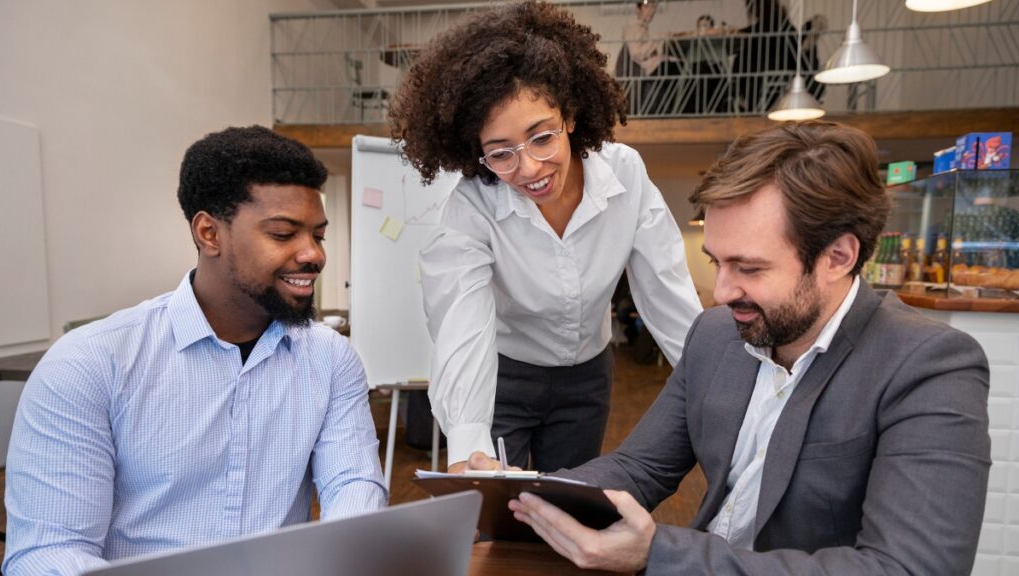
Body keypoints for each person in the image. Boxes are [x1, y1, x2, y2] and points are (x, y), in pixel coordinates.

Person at [500, 121, 991, 574]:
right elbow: (641, 466)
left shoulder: (929, 367)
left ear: (838, 257)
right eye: (718, 262)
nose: (723, 292)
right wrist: (524, 493)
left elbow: (910, 569)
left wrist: (660, 554)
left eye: (750, 268)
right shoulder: (716, 336)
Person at [3, 126, 388, 575]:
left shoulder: (330, 358)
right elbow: (47, 552)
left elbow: (353, 488)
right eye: (284, 234)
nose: (313, 255)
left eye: (318, 236)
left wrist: (352, 554)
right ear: (209, 233)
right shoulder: (89, 364)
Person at [387, 1, 701, 474]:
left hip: (588, 377)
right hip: (504, 377)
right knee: (498, 515)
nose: (530, 168)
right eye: (500, 154)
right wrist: (470, 446)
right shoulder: (471, 207)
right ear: (477, 155)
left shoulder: (625, 176)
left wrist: (718, 387)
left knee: (568, 511)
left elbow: (666, 291)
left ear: (570, 116)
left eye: (541, 137)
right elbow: (461, 321)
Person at [620, 0, 676, 115]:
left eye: (653, 7)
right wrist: (657, 40)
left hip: (642, 71)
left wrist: (663, 56)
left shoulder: (642, 28)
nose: (651, 11)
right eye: (647, 7)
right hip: (636, 73)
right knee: (674, 70)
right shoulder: (634, 27)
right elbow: (637, 54)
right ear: (638, 9)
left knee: (673, 69)